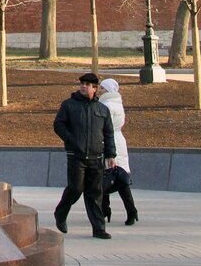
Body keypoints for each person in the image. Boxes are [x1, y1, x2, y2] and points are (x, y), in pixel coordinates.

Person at [53, 72, 116, 239]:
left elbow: (109, 133)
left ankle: (98, 229)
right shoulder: (69, 105)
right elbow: (58, 124)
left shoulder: (102, 110)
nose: (83, 86)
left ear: (94, 89)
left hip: (96, 158)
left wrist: (111, 155)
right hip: (76, 156)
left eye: (87, 85)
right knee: (75, 189)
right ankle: (60, 213)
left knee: (95, 193)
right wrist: (70, 139)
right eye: (82, 83)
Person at [98, 77, 138, 225]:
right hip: (119, 140)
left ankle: (104, 210)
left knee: (105, 178)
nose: (99, 91)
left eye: (102, 88)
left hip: (108, 142)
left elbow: (102, 126)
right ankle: (131, 211)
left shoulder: (106, 105)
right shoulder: (117, 103)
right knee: (120, 179)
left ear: (108, 90)